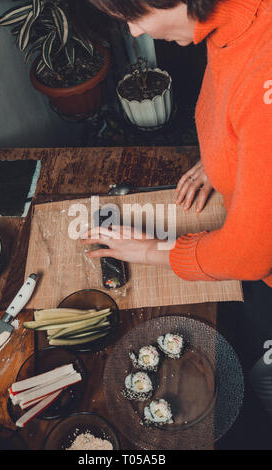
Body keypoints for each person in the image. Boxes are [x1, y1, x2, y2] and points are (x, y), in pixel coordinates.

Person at [82, 0, 272, 428]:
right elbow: (244, 108)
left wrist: (150, 250)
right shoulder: (229, 20)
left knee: (261, 387)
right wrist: (233, 156)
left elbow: (251, 254)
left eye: (135, 17)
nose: (134, 34)